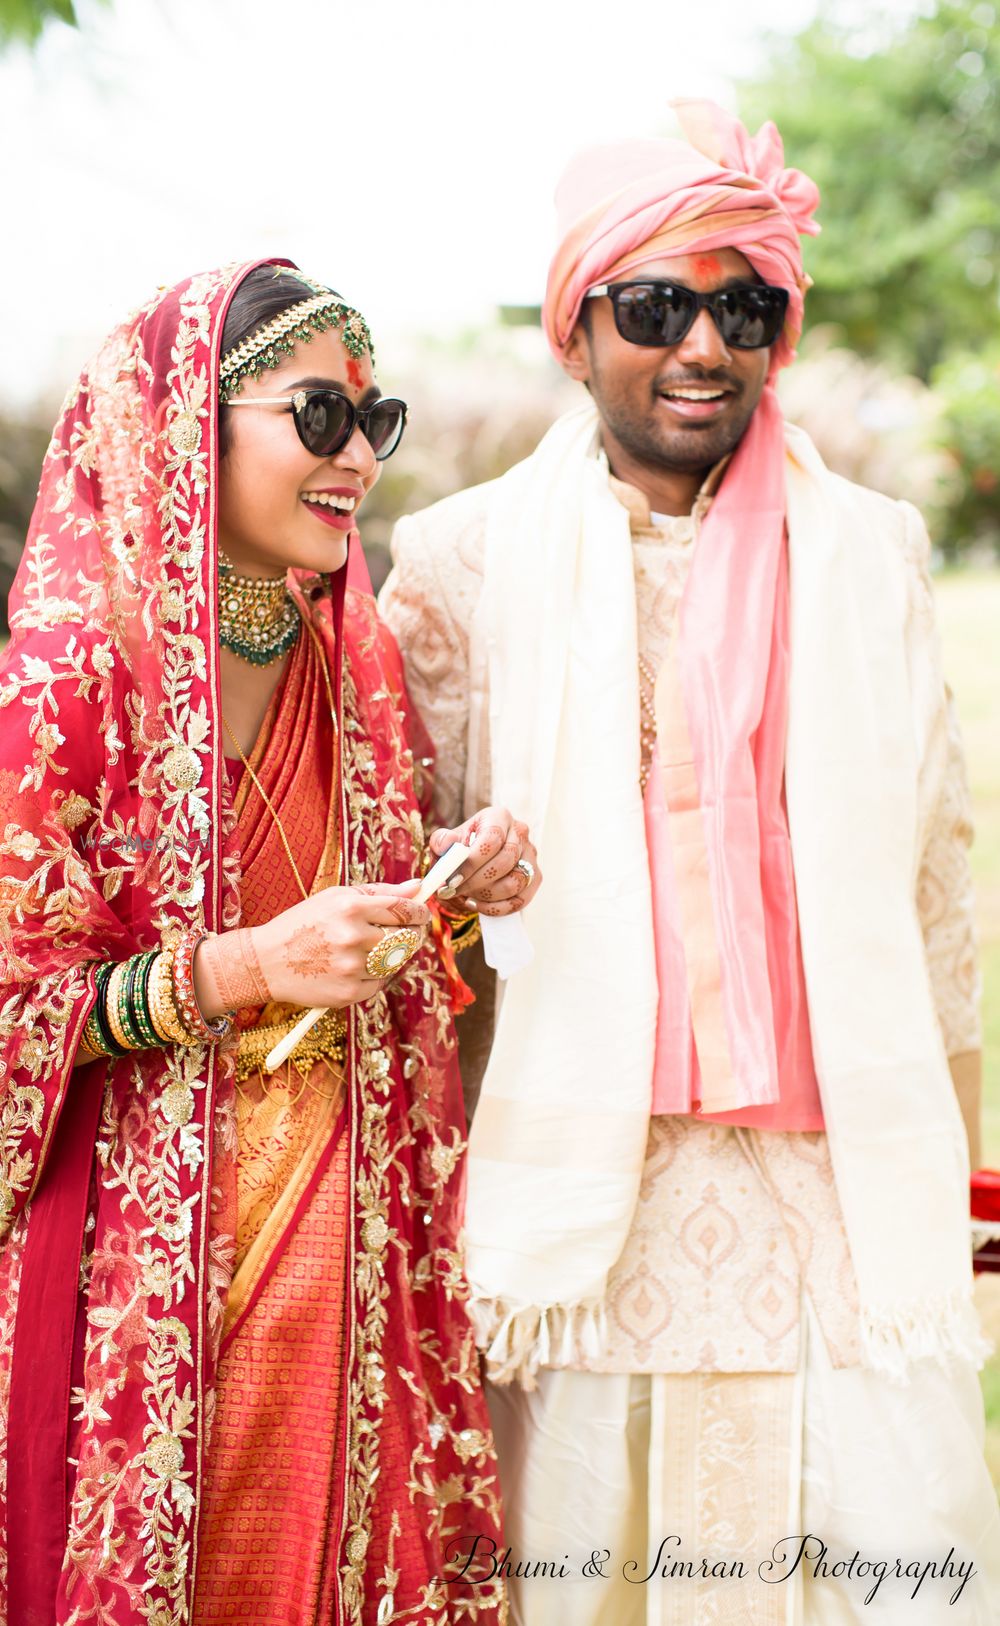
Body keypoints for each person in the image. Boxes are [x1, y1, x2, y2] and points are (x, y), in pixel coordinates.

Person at [380, 102, 1000, 1624]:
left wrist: (955, 1167)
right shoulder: (460, 563)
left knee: (892, 1551)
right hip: (578, 1191)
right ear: (574, 326)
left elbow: (936, 883)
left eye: (745, 307)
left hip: (831, 1176)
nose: (703, 348)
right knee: (581, 1561)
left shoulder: (869, 553)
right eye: (656, 306)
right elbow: (395, 895)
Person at [0, 259, 540, 1624]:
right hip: (143, 1268)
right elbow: (15, 1003)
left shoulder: (342, 658)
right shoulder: (73, 675)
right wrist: (239, 969)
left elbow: (366, 916)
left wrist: (459, 882)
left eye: (377, 421)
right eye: (318, 416)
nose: (358, 455)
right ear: (193, 419)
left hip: (346, 1243)